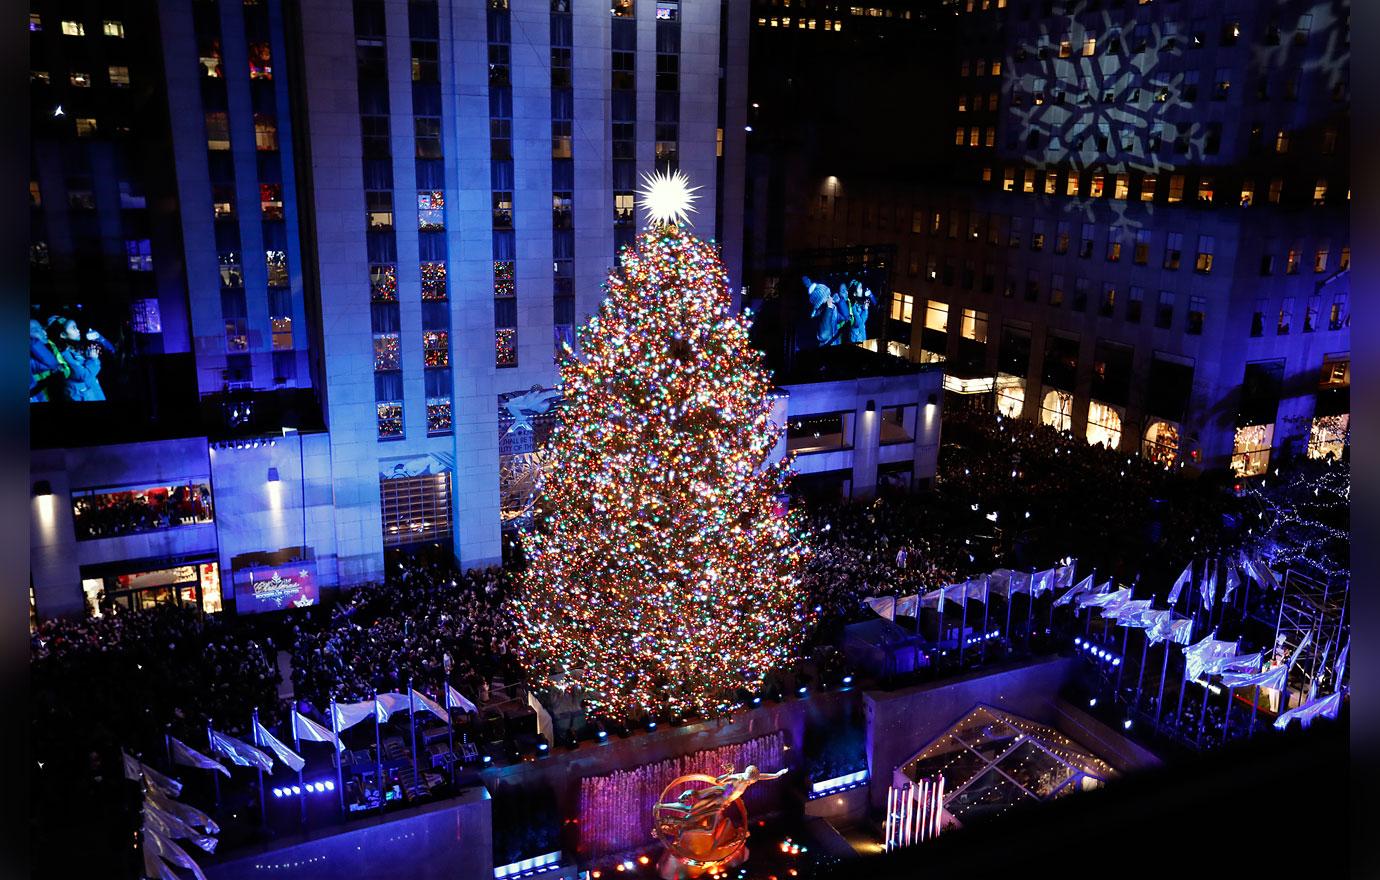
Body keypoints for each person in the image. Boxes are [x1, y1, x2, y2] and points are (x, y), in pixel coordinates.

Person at [54, 320, 106, 401]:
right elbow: (83, 376)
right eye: (73, 328)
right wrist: (92, 359)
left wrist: (93, 359)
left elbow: (96, 365)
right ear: (63, 335)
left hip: (91, 392)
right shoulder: (64, 355)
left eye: (76, 327)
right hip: (82, 396)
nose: (78, 330)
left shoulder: (75, 348)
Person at [30, 319, 69, 402]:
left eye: (41, 328)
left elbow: (66, 369)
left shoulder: (50, 345)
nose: (43, 332)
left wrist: (60, 371)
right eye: (36, 330)